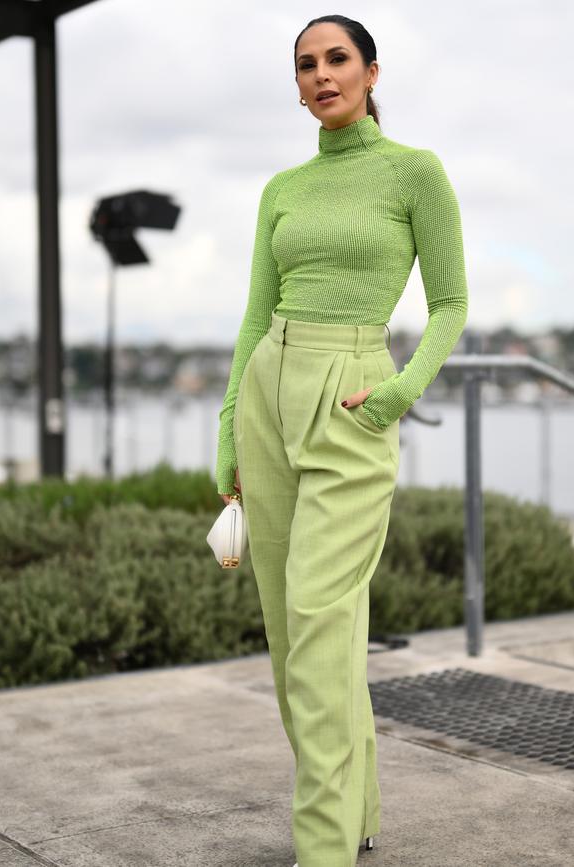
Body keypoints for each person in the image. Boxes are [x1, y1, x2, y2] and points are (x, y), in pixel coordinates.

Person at [215, 14, 469, 867]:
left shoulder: (413, 174)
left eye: (337, 59)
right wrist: (228, 436)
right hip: (267, 396)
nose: (321, 75)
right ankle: (356, 807)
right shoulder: (281, 188)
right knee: (297, 637)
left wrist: (397, 393)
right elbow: (255, 314)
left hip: (352, 396)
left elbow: (450, 305)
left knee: (321, 619)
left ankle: (321, 849)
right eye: (305, 66)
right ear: (296, 85)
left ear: (369, 71)